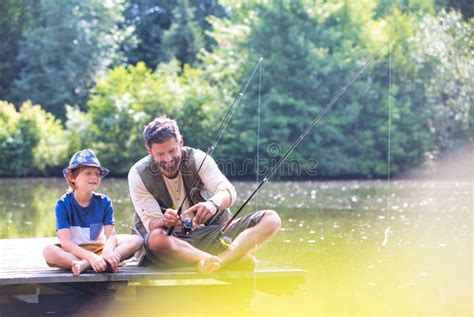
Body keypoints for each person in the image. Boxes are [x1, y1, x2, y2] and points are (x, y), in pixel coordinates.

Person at [128, 117, 281, 274]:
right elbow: (151, 224)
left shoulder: (198, 158)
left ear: (180, 142)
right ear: (149, 151)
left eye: (172, 151)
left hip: (208, 234)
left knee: (271, 219)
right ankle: (224, 258)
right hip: (171, 243)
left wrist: (213, 204)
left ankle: (218, 262)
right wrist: (164, 220)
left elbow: (228, 191)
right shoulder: (138, 173)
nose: (168, 159)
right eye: (160, 154)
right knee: (155, 239)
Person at [42, 149, 143, 276]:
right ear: (72, 177)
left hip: (99, 250)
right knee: (48, 251)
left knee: (136, 240)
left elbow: (111, 235)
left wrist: (107, 251)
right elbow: (66, 243)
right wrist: (90, 257)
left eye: (97, 174)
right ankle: (103, 264)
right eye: (88, 173)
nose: (94, 177)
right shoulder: (62, 204)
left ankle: (86, 265)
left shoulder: (104, 202)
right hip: (75, 253)